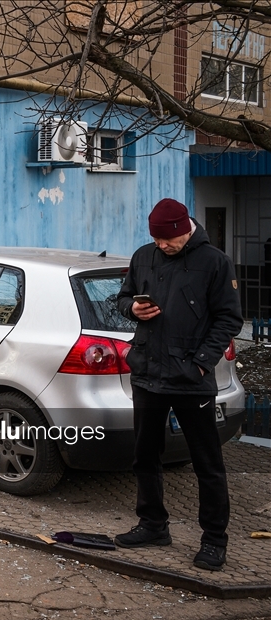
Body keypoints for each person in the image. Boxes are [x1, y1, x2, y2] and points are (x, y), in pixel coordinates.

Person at [115, 198, 243, 572]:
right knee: (145, 456)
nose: (161, 246)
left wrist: (201, 365)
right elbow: (123, 298)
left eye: (167, 240)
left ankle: (214, 540)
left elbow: (228, 318)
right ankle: (153, 525)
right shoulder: (143, 257)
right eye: (155, 239)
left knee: (207, 463)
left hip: (191, 380)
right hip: (148, 374)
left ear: (185, 230)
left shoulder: (215, 263)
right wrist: (131, 309)